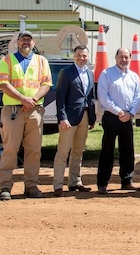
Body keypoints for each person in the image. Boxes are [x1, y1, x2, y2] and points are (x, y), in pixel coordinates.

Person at [0, 30, 53, 200]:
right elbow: (3, 83)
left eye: (29, 40)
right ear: (17, 42)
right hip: (13, 110)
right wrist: (23, 99)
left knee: (34, 151)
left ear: (34, 43)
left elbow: (47, 84)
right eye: (23, 39)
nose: (26, 42)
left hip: (34, 110)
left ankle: (31, 186)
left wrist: (33, 99)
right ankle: (5, 187)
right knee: (10, 150)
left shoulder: (42, 61)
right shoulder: (6, 60)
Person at [96, 48, 140, 194]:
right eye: (121, 57)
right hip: (111, 116)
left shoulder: (134, 76)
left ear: (130, 58)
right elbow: (103, 96)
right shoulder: (106, 74)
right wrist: (118, 111)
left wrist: (131, 113)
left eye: (126, 57)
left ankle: (127, 181)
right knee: (107, 150)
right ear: (115, 57)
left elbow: (138, 96)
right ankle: (102, 183)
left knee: (128, 150)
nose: (124, 59)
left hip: (128, 117)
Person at [52, 45, 96, 197]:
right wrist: (62, 118)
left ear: (88, 57)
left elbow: (90, 98)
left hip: (84, 116)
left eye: (84, 56)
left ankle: (75, 182)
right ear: (73, 56)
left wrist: (92, 118)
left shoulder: (90, 73)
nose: (81, 58)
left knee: (78, 151)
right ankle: (58, 185)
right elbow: (60, 98)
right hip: (69, 119)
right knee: (63, 152)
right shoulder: (66, 73)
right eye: (78, 55)